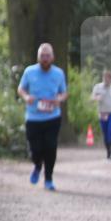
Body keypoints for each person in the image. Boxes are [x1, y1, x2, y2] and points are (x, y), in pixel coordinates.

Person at [17, 43, 68, 191]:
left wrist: (59, 99)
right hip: (33, 118)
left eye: (47, 56)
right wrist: (26, 97)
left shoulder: (58, 73)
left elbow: (64, 92)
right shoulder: (29, 71)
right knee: (35, 149)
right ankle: (37, 165)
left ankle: (49, 178)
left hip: (52, 117)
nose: (45, 59)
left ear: (52, 57)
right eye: (42, 56)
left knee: (50, 147)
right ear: (38, 57)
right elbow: (21, 88)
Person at [90, 70, 111, 159]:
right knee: (105, 133)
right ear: (102, 78)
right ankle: (108, 152)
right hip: (103, 113)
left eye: (108, 78)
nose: (106, 80)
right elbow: (92, 98)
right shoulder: (98, 87)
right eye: (104, 78)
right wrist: (96, 98)